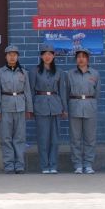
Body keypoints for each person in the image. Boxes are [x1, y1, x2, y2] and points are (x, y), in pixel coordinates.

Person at [0, 45, 34, 173]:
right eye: (9, 54)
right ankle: (9, 165)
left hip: (20, 107)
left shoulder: (23, 72)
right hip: (5, 106)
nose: (12, 57)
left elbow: (27, 91)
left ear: (18, 57)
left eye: (14, 54)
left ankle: (19, 165)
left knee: (19, 137)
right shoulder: (0, 73)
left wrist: (29, 109)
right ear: (6, 57)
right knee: (6, 137)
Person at [32, 43, 66, 174]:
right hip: (40, 105)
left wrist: (64, 108)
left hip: (55, 105)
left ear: (54, 56)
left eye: (50, 54)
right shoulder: (35, 71)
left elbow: (62, 91)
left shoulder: (59, 72)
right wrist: (30, 108)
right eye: (45, 54)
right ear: (41, 56)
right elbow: (31, 90)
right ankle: (44, 165)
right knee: (43, 138)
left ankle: (53, 165)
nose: (47, 56)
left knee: (54, 138)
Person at [66, 48, 101, 174]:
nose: (81, 59)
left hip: (90, 106)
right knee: (75, 138)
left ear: (88, 59)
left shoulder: (95, 74)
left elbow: (97, 93)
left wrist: (92, 103)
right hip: (74, 106)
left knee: (90, 138)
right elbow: (67, 91)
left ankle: (88, 164)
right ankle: (78, 165)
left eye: (83, 56)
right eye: (78, 57)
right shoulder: (70, 74)